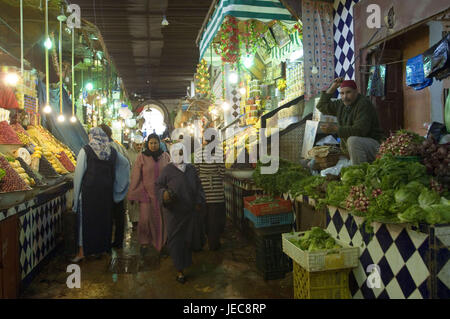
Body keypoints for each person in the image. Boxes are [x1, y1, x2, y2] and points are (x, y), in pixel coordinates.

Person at [72, 127, 130, 262]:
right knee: (103, 222)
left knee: (86, 223)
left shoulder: (86, 150)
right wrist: (118, 189)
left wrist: (76, 198)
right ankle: (102, 250)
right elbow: (126, 164)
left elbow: (79, 175)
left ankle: (82, 252)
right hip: (106, 194)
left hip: (89, 194)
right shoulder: (111, 151)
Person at [155, 143, 205, 284]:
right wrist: (163, 194)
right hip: (174, 213)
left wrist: (199, 201)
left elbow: (199, 186)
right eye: (176, 152)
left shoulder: (191, 169)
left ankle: (185, 262)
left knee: (187, 240)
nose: (179, 155)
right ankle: (180, 270)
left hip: (190, 212)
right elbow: (158, 186)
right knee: (176, 241)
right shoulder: (168, 170)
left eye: (181, 152)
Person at [316, 78, 385, 165]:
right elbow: (321, 106)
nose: (345, 97)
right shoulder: (342, 104)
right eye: (342, 93)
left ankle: (360, 173)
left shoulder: (363, 104)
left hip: (375, 146)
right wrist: (333, 87)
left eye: (348, 92)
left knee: (353, 141)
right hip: (355, 148)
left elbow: (360, 130)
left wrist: (335, 129)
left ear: (356, 92)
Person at [128, 133, 171, 255]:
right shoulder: (141, 157)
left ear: (159, 144)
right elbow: (136, 176)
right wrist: (133, 193)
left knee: (162, 220)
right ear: (148, 144)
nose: (153, 145)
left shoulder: (165, 156)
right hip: (146, 194)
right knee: (145, 220)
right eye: (151, 143)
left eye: (155, 143)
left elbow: (170, 174)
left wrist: (170, 190)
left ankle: (162, 243)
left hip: (162, 195)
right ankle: (144, 243)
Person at [99, 123, 130, 248]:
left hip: (111, 187)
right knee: (119, 216)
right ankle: (118, 241)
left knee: (110, 217)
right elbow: (128, 163)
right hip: (120, 187)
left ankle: (110, 242)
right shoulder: (118, 146)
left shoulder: (109, 148)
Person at [194, 135, 226, 251]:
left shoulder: (198, 153)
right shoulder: (219, 153)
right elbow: (222, 171)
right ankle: (214, 244)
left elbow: (196, 171)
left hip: (203, 189)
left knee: (203, 218)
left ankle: (202, 242)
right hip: (216, 190)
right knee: (214, 219)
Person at [126, 135, 145, 230]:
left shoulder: (145, 154)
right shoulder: (127, 154)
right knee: (132, 203)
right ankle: (134, 222)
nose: (139, 147)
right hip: (131, 182)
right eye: (137, 145)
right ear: (133, 144)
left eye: (140, 145)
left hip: (142, 183)